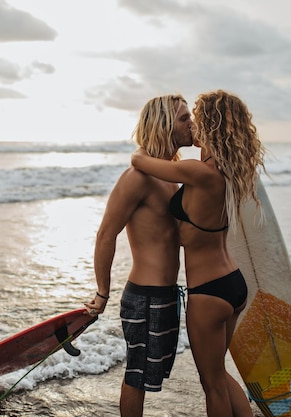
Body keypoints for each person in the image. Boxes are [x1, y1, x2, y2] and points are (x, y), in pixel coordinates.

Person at [130, 89, 265, 417]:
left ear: (210, 126)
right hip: (233, 284)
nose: (191, 124)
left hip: (208, 293)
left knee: (212, 385)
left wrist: (145, 146)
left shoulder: (198, 172)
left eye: (196, 118)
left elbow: (140, 161)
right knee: (219, 374)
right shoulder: (227, 172)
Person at [84, 94, 193, 417]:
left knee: (147, 375)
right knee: (136, 377)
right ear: (164, 124)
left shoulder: (170, 171)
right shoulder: (138, 176)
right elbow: (106, 234)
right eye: (184, 118)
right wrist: (102, 292)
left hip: (166, 294)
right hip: (145, 298)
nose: (192, 124)